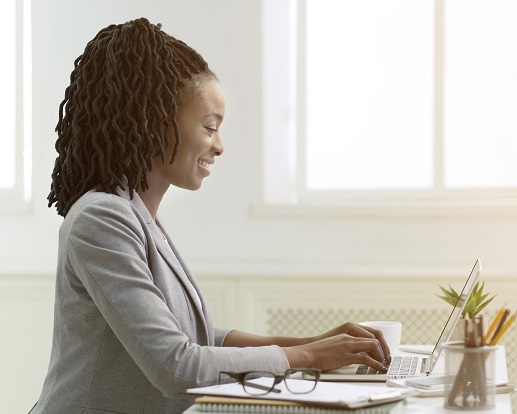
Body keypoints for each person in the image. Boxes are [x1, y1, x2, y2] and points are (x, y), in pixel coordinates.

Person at [31, 17, 390, 414]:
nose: (218, 146)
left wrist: (311, 343)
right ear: (154, 122)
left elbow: (190, 340)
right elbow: (178, 365)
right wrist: (307, 357)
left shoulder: (137, 216)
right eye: (209, 127)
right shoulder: (101, 220)